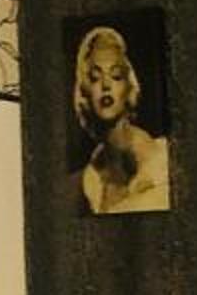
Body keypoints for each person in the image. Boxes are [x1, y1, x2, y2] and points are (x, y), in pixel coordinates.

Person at [71, 23, 170, 215]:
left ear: (129, 87)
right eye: (95, 77)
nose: (106, 85)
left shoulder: (162, 161)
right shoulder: (91, 183)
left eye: (116, 76)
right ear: (85, 92)